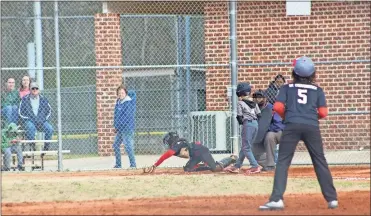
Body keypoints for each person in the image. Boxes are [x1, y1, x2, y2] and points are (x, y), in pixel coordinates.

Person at [259, 56, 338, 210]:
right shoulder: (318, 90)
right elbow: (323, 112)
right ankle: (332, 199)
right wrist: (310, 117)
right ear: (312, 74)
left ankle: (277, 199)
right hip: (311, 126)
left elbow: (278, 107)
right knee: (319, 160)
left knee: (283, 161)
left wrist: (286, 116)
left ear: (294, 73)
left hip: (292, 125)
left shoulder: (287, 88)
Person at [143, 132, 238, 173]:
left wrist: (155, 165)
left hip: (201, 151)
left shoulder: (177, 143)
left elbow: (167, 155)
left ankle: (232, 159)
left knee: (216, 168)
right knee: (188, 169)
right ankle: (207, 165)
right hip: (196, 155)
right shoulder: (178, 143)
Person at [224, 82, 261, 174]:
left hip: (248, 124)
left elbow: (239, 117)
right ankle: (237, 166)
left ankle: (255, 166)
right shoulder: (254, 102)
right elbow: (259, 115)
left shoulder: (240, 103)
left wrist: (244, 123)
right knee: (245, 147)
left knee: (246, 148)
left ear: (239, 93)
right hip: (255, 124)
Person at [18, 82, 54, 152]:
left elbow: (49, 111)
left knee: (50, 129)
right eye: (33, 88)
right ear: (30, 90)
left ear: (39, 90)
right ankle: (32, 145)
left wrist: (43, 119)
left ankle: (46, 148)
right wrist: (29, 119)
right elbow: (20, 112)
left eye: (36, 88)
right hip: (30, 121)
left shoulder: (44, 99)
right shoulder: (25, 99)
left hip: (41, 121)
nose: (34, 90)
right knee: (30, 127)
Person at [113, 85, 137, 168]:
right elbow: (116, 116)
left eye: (122, 93)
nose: (120, 94)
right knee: (116, 145)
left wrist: (119, 126)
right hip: (119, 128)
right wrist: (116, 126)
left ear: (126, 93)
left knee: (128, 146)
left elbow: (126, 117)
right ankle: (118, 165)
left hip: (127, 128)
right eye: (119, 93)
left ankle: (133, 165)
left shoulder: (128, 102)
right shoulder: (118, 102)